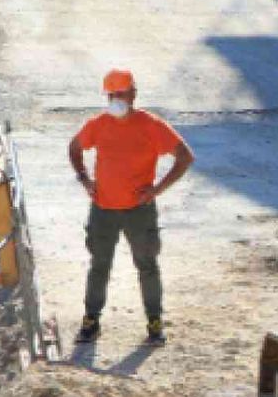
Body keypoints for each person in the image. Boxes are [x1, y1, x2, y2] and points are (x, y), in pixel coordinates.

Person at [69, 69, 194, 346]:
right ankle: (91, 320)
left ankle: (155, 322)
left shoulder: (152, 125)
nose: (116, 99)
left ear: (134, 94)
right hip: (103, 210)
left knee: (147, 266)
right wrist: (84, 178)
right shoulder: (98, 124)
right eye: (111, 94)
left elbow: (185, 157)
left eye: (121, 93)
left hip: (139, 212)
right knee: (99, 266)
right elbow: (75, 147)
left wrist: (156, 190)